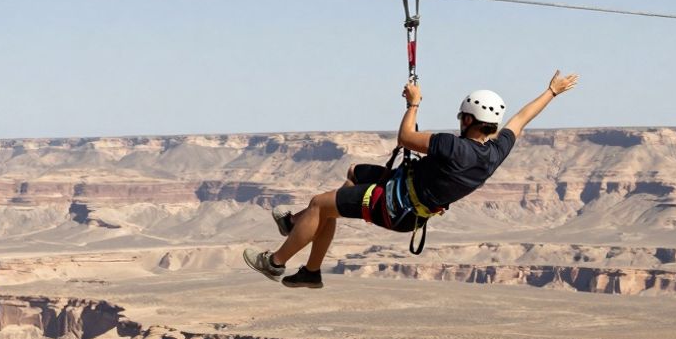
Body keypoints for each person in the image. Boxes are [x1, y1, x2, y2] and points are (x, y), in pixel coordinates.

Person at [244, 70, 580, 288]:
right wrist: (551, 92)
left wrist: (414, 104)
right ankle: (300, 233)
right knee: (352, 175)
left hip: (393, 205)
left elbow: (405, 137)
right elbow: (521, 119)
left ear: (467, 119)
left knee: (321, 204)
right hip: (405, 198)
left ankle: (276, 263)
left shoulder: (453, 146)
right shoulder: (494, 153)